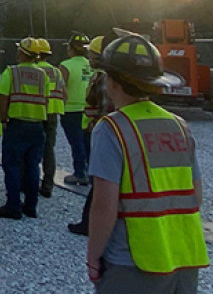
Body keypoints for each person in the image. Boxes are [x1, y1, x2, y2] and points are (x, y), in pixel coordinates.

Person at [86, 33, 208, 292]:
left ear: (112, 82)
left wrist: (93, 256)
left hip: (134, 262)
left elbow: (104, 206)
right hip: (184, 256)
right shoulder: (179, 126)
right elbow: (195, 195)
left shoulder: (111, 129)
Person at [0, 37, 50, 220]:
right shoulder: (43, 75)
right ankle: (31, 206)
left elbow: (3, 97)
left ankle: (13, 206)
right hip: (37, 125)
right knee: (33, 166)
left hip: (17, 125)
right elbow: (46, 100)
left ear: (22, 53)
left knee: (12, 165)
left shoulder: (12, 72)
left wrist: (3, 119)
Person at [68, 35, 112, 235]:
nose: (89, 57)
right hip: (94, 130)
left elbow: (103, 108)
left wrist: (95, 128)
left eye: (92, 53)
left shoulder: (102, 78)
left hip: (97, 132)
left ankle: (90, 224)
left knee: (98, 181)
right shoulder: (101, 76)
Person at [60, 32, 92, 186]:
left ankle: (80, 174)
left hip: (71, 110)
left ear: (71, 48)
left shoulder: (66, 65)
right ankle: (91, 173)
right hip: (88, 109)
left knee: (76, 142)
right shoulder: (91, 65)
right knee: (87, 142)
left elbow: (61, 88)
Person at [35, 38, 66, 198]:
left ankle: (28, 183)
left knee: (31, 149)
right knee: (49, 149)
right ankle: (47, 185)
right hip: (53, 113)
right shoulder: (56, 71)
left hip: (37, 113)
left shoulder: (35, 70)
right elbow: (64, 94)